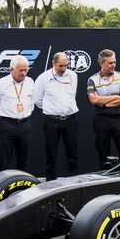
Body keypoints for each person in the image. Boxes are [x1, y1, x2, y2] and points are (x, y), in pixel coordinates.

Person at [31, 52, 79, 181]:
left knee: (73, 154)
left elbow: (72, 94)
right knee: (51, 154)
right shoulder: (43, 78)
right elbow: (37, 100)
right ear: (53, 63)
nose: (63, 69)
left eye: (65, 65)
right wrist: (51, 109)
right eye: (60, 66)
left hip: (70, 119)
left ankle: (74, 183)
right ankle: (51, 183)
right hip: (52, 120)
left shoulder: (73, 75)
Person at [86, 49, 120, 168]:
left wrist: (104, 102)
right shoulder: (92, 79)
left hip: (119, 119)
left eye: (114, 62)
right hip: (101, 120)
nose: (113, 65)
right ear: (101, 63)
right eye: (110, 63)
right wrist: (115, 97)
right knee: (104, 157)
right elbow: (94, 100)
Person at [0, 55, 35, 173]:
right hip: (7, 125)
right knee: (3, 162)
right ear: (12, 70)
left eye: (26, 70)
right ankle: (2, 190)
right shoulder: (1, 83)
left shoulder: (30, 82)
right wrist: (4, 121)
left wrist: (24, 115)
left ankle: (24, 189)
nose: (24, 73)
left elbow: (32, 103)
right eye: (21, 70)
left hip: (25, 125)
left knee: (24, 162)